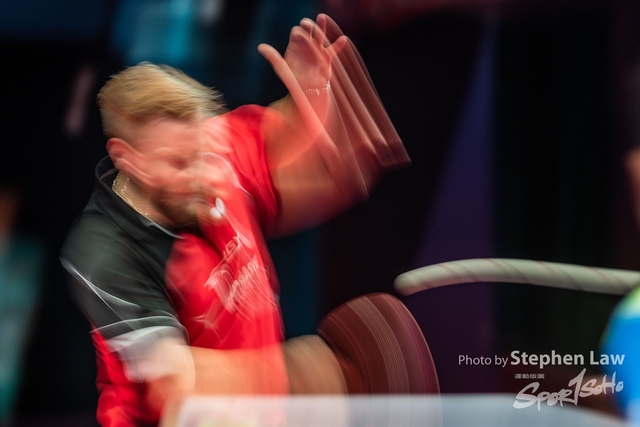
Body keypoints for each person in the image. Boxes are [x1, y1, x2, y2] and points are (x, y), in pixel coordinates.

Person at [61, 14, 409, 426]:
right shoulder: (105, 254)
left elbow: (317, 164)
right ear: (127, 159)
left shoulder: (209, 150)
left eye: (204, 152)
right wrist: (305, 375)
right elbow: (176, 385)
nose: (202, 175)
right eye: (179, 164)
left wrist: (312, 100)